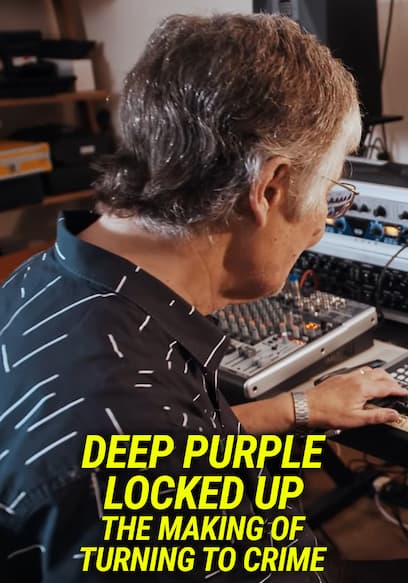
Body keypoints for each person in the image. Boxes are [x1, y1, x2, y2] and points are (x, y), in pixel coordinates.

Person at [0, 13, 406, 583]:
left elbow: (181, 435)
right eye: (330, 193)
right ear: (269, 189)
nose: (321, 226)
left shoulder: (44, 277)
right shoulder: (149, 466)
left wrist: (300, 408)